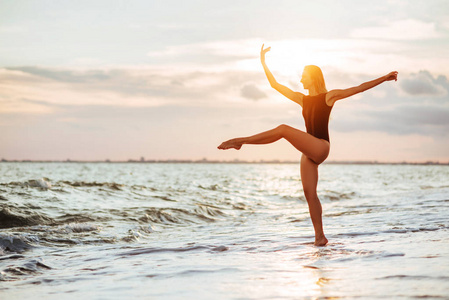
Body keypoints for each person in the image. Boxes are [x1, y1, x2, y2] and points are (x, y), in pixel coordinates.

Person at [218, 44, 398, 246]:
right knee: (309, 194)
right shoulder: (303, 100)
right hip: (308, 151)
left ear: (313, 77)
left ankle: (240, 141)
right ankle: (320, 237)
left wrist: (384, 78)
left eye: (304, 75)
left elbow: (358, 88)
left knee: (283, 129)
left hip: (321, 146)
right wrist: (263, 63)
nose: (301, 79)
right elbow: (275, 85)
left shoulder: (328, 97)